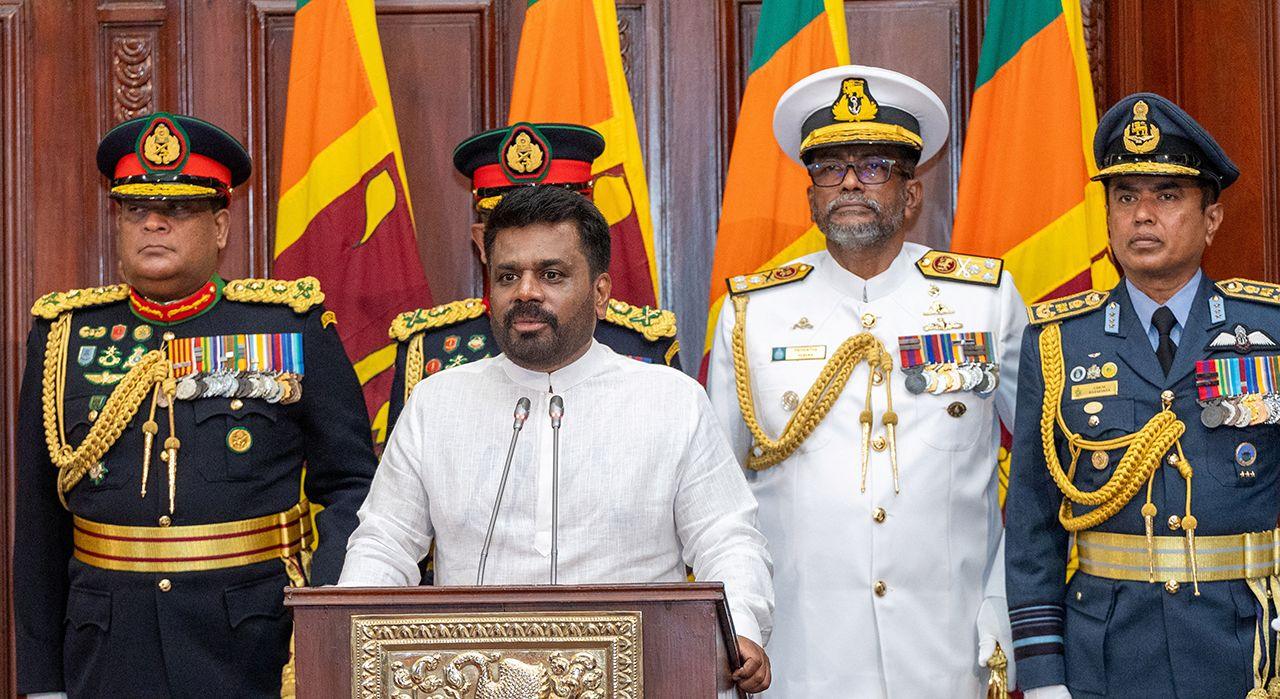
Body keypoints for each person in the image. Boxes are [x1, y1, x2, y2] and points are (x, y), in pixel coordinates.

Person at [340, 185, 774, 693]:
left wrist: (740, 628)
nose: (526, 291)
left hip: (644, 677)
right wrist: (352, 638)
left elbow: (727, 537)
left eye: (551, 274)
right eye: (508, 276)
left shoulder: (670, 402)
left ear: (601, 291)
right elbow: (385, 542)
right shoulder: (437, 404)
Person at [13, 112, 377, 698]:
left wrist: (319, 613)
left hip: (254, 645)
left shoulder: (290, 328)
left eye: (178, 210)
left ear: (222, 226)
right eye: (135, 209)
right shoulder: (64, 336)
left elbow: (353, 485)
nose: (153, 224)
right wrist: (43, 681)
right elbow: (38, 520)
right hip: (106, 649)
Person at [705, 65, 1025, 696]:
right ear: (811, 196)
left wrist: (1003, 612)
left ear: (912, 194)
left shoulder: (983, 300)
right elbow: (718, 500)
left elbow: (1047, 464)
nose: (850, 182)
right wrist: (739, 626)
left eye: (874, 164)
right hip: (799, 656)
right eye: (830, 167)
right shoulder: (751, 313)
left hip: (948, 653)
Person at [1006, 93, 1278, 699]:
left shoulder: (1269, 330)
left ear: (1212, 219)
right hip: (1105, 654)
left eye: (1167, 196)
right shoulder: (1057, 341)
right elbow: (1031, 526)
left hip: (1248, 651)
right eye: (1125, 197)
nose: (1142, 216)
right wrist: (1043, 674)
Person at [386, 122, 679, 432]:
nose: (527, 291)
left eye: (551, 272)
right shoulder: (429, 350)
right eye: (511, 229)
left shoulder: (642, 345)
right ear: (483, 243)